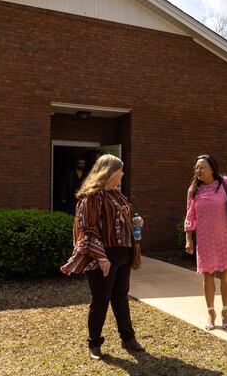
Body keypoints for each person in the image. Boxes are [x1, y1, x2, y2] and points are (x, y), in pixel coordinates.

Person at [60, 154, 144, 360]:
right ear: (110, 172)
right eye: (120, 170)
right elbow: (87, 230)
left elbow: (121, 220)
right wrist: (102, 257)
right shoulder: (92, 197)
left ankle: (128, 338)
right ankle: (94, 343)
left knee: (121, 298)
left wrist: (135, 222)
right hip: (102, 257)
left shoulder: (118, 195)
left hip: (123, 254)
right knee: (100, 300)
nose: (123, 174)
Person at [184, 155, 227, 331]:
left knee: (226, 275)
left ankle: (225, 312)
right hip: (205, 239)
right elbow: (190, 216)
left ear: (212, 169)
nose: (198, 170)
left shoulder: (226, 183)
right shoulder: (193, 190)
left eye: (202, 167)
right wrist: (188, 238)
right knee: (208, 275)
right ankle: (211, 312)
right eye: (196, 167)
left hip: (225, 236)